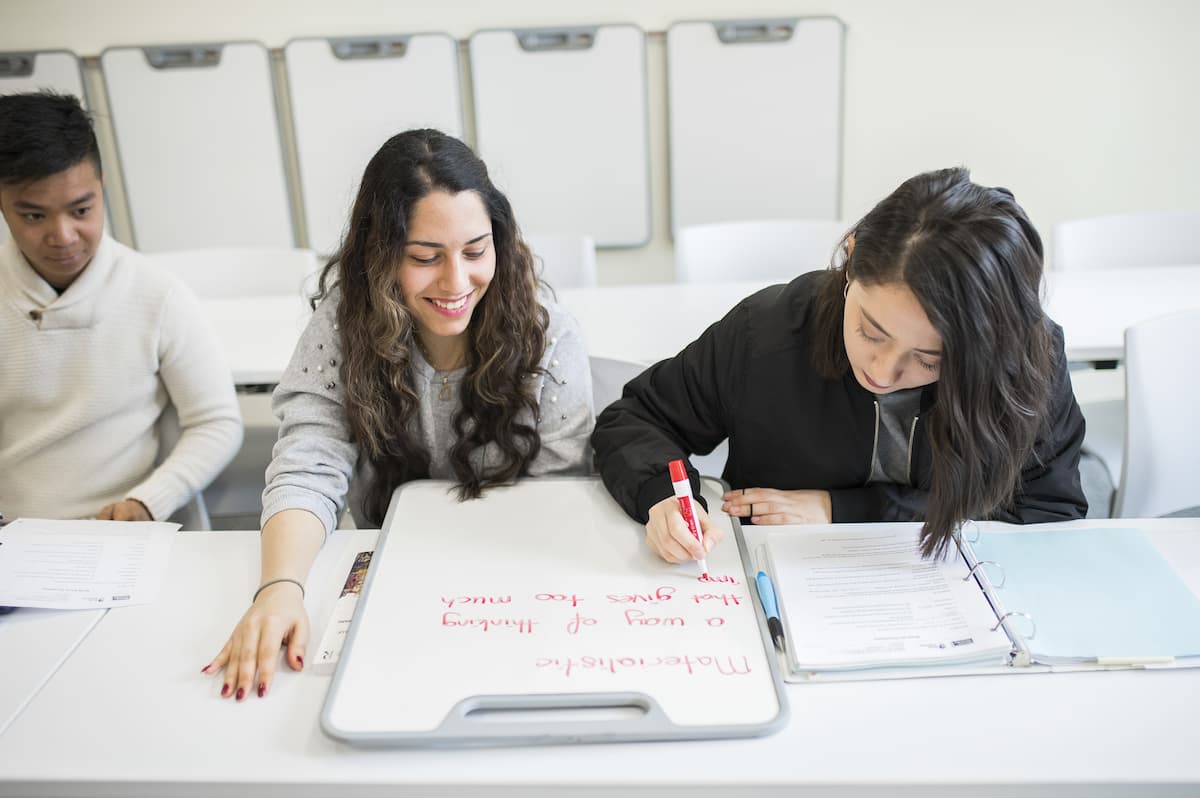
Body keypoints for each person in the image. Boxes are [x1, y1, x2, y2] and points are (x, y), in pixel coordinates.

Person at [206, 129, 594, 700]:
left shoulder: (547, 334)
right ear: (380, 252)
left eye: (475, 251)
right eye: (423, 257)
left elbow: (556, 492)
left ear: (500, 241)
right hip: (384, 572)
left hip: (509, 580)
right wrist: (280, 588)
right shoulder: (344, 324)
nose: (456, 282)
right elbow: (307, 463)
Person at [593, 167, 1087, 565]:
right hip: (781, 585)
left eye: (930, 359)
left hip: (961, 605)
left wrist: (845, 510)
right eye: (871, 331)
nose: (884, 371)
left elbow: (1048, 515)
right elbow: (636, 420)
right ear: (850, 262)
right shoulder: (769, 330)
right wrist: (662, 496)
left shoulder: (1024, 364)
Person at [0, 91, 242, 523]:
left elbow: (217, 422)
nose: (64, 236)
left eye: (81, 209)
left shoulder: (157, 294)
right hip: (13, 532)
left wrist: (149, 500)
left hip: (122, 530)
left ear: (101, 187)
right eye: (34, 216)